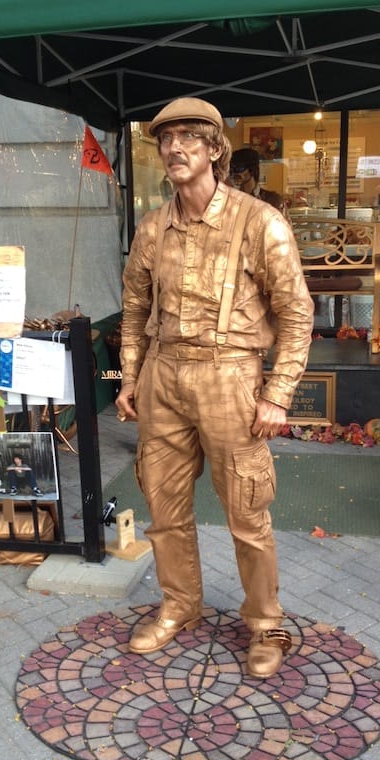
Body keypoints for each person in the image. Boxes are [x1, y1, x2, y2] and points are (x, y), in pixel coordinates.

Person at [115, 97, 314, 679]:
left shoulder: (259, 222)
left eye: (188, 137)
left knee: (247, 512)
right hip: (163, 375)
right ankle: (180, 604)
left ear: (213, 148)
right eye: (165, 139)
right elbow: (134, 310)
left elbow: (296, 313)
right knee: (163, 506)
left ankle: (266, 623)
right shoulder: (152, 228)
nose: (174, 148)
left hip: (231, 377)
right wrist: (129, 377)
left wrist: (277, 393)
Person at [230, 147, 289, 219]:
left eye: (238, 168)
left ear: (251, 170)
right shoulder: (230, 201)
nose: (233, 174)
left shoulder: (274, 201)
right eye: (230, 170)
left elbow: (284, 225)